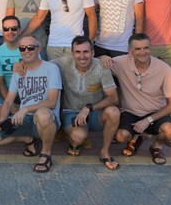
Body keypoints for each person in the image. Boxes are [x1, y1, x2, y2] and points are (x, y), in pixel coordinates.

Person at [0, 35, 61, 174]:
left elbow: (52, 102)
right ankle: (28, 139)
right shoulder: (18, 70)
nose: (26, 51)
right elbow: (8, 100)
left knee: (42, 114)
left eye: (30, 47)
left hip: (44, 118)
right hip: (23, 118)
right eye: (22, 48)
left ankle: (46, 154)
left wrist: (25, 109)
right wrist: (2, 120)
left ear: (39, 49)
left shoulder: (51, 68)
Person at [101, 33, 171, 165]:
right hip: (130, 112)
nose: (142, 52)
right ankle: (135, 138)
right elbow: (97, 61)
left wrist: (147, 120)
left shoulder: (164, 69)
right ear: (130, 50)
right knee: (121, 136)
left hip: (155, 114)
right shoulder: (121, 62)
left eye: (146, 48)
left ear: (151, 48)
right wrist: (103, 57)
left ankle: (156, 146)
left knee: (170, 131)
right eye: (137, 49)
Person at [51, 36, 120, 170]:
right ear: (72, 53)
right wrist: (22, 63)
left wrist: (89, 108)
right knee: (78, 137)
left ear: (93, 52)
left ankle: (105, 152)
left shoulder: (101, 66)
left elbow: (114, 98)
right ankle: (74, 137)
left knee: (114, 111)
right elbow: (40, 64)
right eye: (78, 52)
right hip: (72, 112)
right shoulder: (63, 63)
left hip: (94, 113)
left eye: (86, 52)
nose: (82, 56)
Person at [0, 16, 22, 122]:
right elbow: (0, 82)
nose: (10, 31)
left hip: (26, 91)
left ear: (19, 30)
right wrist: (10, 103)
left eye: (14, 28)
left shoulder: (29, 48)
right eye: (6, 29)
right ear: (2, 31)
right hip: (6, 91)